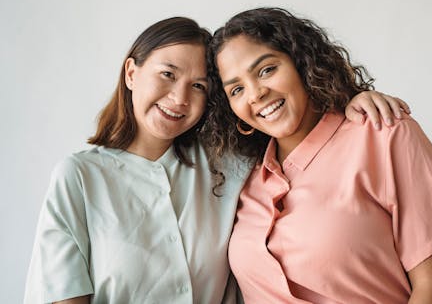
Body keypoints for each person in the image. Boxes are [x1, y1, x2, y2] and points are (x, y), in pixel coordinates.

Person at [24, 16, 407, 304]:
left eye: (198, 86)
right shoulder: (79, 177)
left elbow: (284, 120)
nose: (179, 98)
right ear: (131, 72)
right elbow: (61, 293)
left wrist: (350, 99)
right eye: (167, 74)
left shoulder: (231, 164)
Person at [205, 7, 432, 304]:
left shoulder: (384, 135)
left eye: (267, 70)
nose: (255, 94)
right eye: (237, 89)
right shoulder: (240, 176)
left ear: (301, 62)